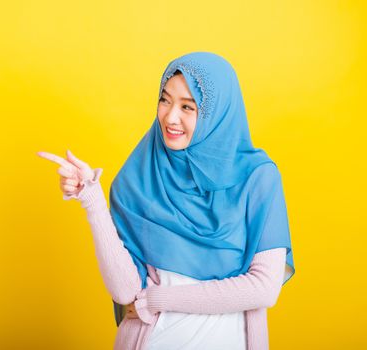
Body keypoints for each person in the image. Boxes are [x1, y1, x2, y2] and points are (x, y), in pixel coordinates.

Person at [37, 51, 295, 350]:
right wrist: (92, 199)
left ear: (217, 113)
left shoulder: (258, 178)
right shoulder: (137, 179)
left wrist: (157, 299)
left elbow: (264, 288)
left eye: (188, 106)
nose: (171, 117)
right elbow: (125, 292)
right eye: (165, 100)